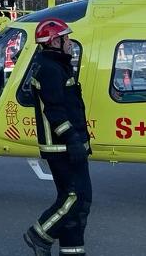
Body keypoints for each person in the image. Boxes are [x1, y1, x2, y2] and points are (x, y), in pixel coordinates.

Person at [24, 19, 92, 256]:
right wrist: (72, 139)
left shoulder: (57, 64)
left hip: (70, 145)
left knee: (78, 202)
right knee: (77, 197)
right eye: (66, 38)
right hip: (61, 146)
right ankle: (39, 234)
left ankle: (72, 250)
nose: (70, 43)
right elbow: (55, 110)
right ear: (55, 41)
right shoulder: (49, 69)